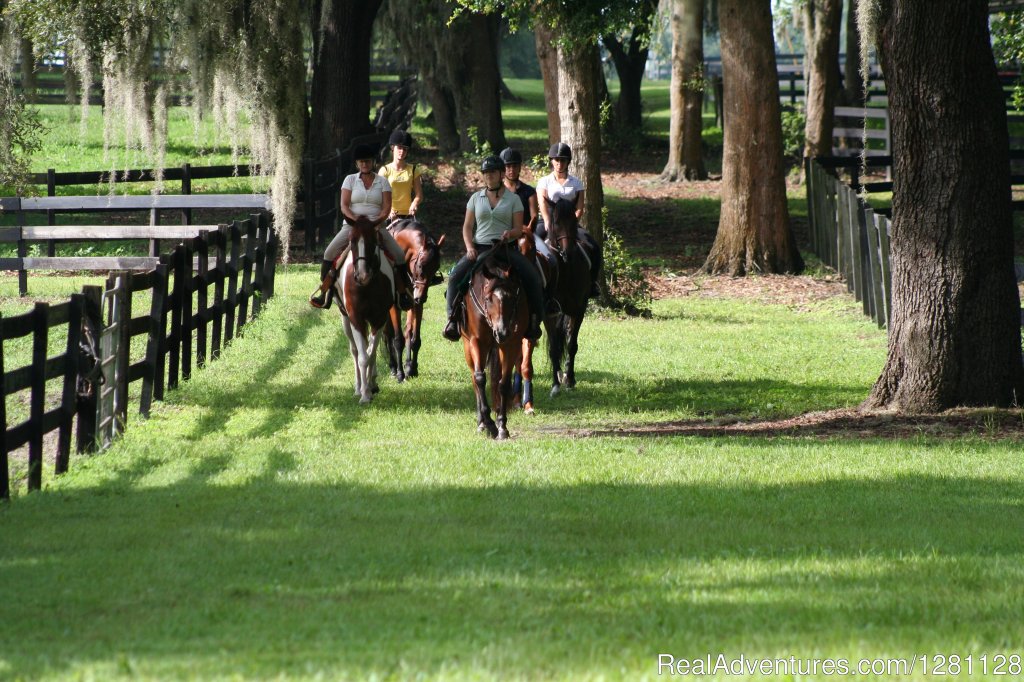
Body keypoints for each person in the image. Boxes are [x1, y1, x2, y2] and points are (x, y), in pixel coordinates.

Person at [442, 155, 545, 342]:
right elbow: (467, 227)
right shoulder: (475, 198)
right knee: (455, 276)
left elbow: (518, 227)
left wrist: (510, 234)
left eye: (493, 172)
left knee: (532, 276)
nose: (489, 176)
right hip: (480, 249)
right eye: (486, 173)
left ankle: (534, 321)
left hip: (506, 249)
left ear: (501, 174)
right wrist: (469, 247)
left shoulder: (513, 199)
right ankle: (452, 320)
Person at [309, 143, 412, 310]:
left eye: (367, 161)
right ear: (357, 164)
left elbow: (386, 208)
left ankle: (403, 293)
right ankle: (325, 292)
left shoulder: (383, 182)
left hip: (376, 226)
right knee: (329, 253)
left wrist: (375, 223)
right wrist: (357, 222)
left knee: (399, 255)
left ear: (373, 162)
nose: (364, 164)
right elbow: (344, 206)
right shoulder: (349, 180)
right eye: (361, 162)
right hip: (352, 226)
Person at [536, 142, 602, 297]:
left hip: (569, 224)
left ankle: (592, 284)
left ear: (568, 162)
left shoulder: (576, 183)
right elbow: (542, 204)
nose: (559, 163)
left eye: (563, 160)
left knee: (593, 246)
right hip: (549, 221)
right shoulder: (544, 181)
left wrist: (573, 222)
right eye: (556, 160)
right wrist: (546, 221)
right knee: (530, 245)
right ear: (552, 161)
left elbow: (579, 208)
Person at [380, 129, 423, 222]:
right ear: (392, 148)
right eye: (399, 147)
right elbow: (379, 195)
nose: (402, 151)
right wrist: (389, 210)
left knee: (421, 234)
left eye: (405, 149)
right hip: (389, 215)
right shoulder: (385, 170)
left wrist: (414, 203)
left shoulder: (414, 169)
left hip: (408, 215)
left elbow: (419, 194)